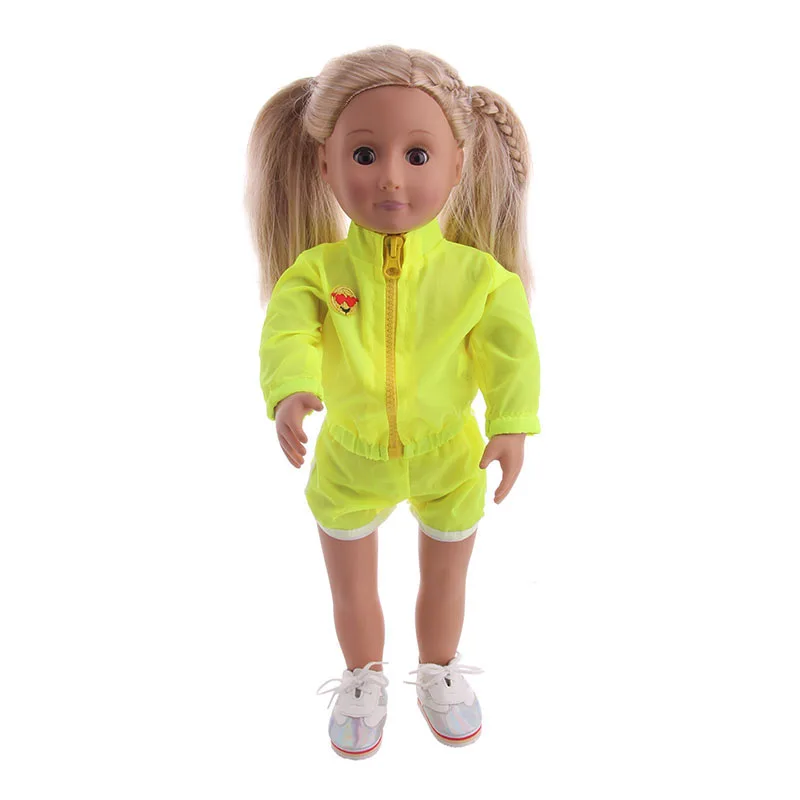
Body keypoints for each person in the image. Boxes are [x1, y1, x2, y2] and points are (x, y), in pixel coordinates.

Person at [244, 44, 541, 759]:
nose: (390, 177)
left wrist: (510, 424)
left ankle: (439, 670)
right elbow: (288, 333)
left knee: (446, 578)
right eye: (364, 153)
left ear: (458, 166)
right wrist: (289, 391)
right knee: (352, 588)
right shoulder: (317, 274)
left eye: (417, 155)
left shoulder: (479, 279)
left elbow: (510, 352)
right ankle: (362, 677)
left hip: (449, 455)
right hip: (349, 457)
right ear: (325, 165)